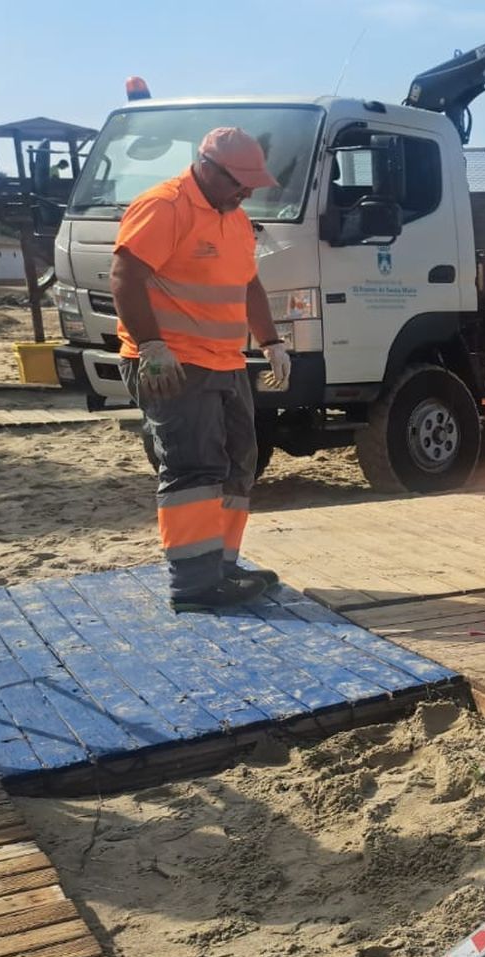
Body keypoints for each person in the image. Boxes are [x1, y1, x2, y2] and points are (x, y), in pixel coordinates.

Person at [112, 127, 290, 612]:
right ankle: (194, 585)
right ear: (208, 168)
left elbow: (248, 283)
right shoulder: (164, 206)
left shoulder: (233, 216)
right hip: (172, 363)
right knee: (194, 469)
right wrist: (151, 344)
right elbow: (126, 276)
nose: (248, 191)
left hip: (225, 360)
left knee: (238, 463)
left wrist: (271, 342)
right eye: (240, 182)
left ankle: (222, 568)